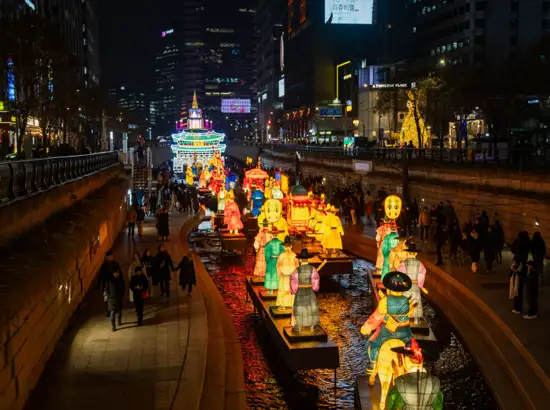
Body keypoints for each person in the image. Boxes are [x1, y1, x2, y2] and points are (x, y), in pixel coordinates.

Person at [98, 251, 123, 317]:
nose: (111, 257)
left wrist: (118, 276)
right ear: (107, 257)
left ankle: (115, 310)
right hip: (107, 286)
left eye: (112, 256)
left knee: (115, 298)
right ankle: (109, 311)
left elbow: (120, 273)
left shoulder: (115, 264)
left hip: (116, 285)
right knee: (107, 299)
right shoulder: (104, 266)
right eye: (110, 256)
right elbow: (101, 276)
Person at [103, 265, 125, 332]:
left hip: (118, 299)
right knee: (112, 313)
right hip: (111, 300)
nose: (116, 274)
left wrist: (121, 296)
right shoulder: (109, 281)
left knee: (119, 311)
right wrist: (109, 296)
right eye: (115, 273)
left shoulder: (121, 280)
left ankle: (119, 321)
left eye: (117, 272)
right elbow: (106, 289)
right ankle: (113, 326)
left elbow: (123, 289)